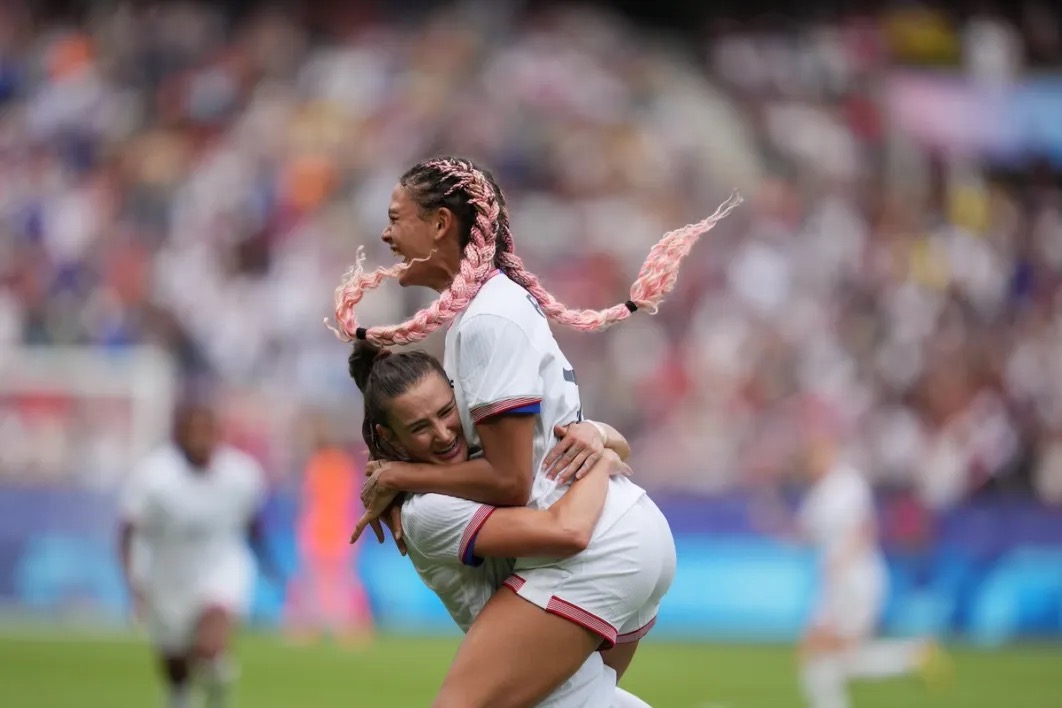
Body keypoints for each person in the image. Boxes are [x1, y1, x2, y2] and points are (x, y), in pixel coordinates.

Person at [328, 157, 729, 706]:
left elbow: (513, 480)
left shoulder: (489, 319)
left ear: (442, 224)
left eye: (396, 218)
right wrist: (606, 438)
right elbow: (555, 441)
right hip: (615, 530)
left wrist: (399, 472)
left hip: (591, 545)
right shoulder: (486, 313)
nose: (385, 233)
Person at [351, 342, 651, 707]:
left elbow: (616, 444)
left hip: (546, 653)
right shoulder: (424, 511)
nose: (444, 434)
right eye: (419, 428)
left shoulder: (479, 456)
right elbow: (566, 530)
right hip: (530, 661)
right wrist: (601, 462)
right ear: (388, 437)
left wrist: (595, 434)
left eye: (446, 411)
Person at [117, 400, 277, 708]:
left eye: (208, 430)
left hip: (222, 565)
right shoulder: (153, 477)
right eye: (193, 430)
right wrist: (133, 581)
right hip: (167, 573)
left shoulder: (242, 474)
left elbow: (253, 524)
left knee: (208, 646)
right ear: (178, 434)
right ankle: (184, 696)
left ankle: (215, 678)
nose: (201, 438)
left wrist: (268, 563)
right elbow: (127, 531)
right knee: (177, 667)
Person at [794, 418, 951, 708]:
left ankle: (913, 656)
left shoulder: (848, 483)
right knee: (829, 658)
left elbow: (866, 529)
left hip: (856, 579)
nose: (812, 460)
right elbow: (804, 537)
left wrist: (842, 559)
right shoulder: (817, 495)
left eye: (817, 452)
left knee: (822, 659)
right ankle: (913, 656)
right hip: (835, 582)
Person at [285, 412, 374, 647]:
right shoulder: (340, 464)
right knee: (336, 582)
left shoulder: (320, 465)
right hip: (333, 531)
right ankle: (343, 629)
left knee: (322, 582)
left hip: (324, 531)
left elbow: (310, 501)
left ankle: (315, 628)